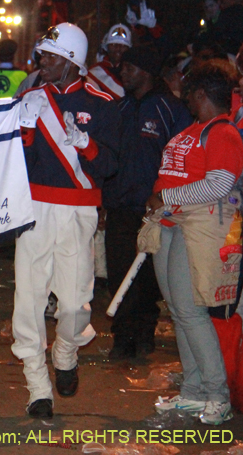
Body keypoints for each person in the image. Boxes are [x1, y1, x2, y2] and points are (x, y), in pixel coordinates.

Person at [12, 23, 119, 418]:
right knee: (29, 299)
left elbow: (111, 165)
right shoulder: (30, 99)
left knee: (74, 304)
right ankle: (37, 387)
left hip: (79, 210)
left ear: (72, 62)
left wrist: (86, 145)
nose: (42, 60)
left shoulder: (103, 103)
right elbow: (14, 164)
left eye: (51, 56)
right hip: (34, 208)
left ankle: (66, 352)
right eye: (42, 54)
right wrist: (23, 132)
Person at [147, 65, 243, 425]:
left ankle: (217, 395)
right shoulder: (196, 130)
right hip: (172, 224)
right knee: (179, 311)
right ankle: (193, 391)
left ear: (201, 94)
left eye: (189, 93)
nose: (185, 99)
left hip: (197, 228)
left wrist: (166, 197)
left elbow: (218, 185)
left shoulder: (223, 132)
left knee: (191, 312)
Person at [102, 46, 192, 360]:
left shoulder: (171, 109)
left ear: (146, 71)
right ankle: (122, 337)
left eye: (129, 67)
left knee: (150, 278)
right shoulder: (120, 108)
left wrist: (168, 200)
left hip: (155, 211)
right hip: (120, 207)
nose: (122, 72)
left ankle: (144, 333)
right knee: (119, 273)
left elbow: (182, 160)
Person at [87, 24, 132, 100]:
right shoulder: (93, 73)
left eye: (123, 45)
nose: (118, 48)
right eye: (113, 44)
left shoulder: (133, 71)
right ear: (106, 47)